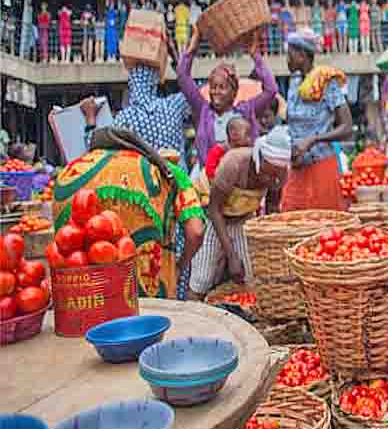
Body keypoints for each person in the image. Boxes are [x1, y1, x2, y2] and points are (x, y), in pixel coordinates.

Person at [55, 125, 205, 300]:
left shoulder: (69, 172)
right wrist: (180, 266)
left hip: (84, 295)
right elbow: (196, 231)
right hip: (148, 293)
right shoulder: (166, 170)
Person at [188, 126, 290, 300]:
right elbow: (214, 209)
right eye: (268, 173)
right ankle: (192, 316)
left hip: (244, 218)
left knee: (251, 277)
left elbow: (272, 210)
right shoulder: (233, 164)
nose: (271, 180)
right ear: (258, 158)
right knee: (202, 279)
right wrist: (231, 255)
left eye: (276, 176)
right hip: (214, 217)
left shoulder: (280, 175)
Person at [179, 27, 278, 169]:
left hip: (240, 181)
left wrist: (255, 55)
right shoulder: (203, 110)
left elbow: (271, 89)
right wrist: (193, 46)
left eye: (222, 87)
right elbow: (183, 77)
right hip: (209, 181)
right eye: (213, 87)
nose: (215, 92)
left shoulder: (245, 111)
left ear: (233, 92)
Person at [281, 29, 353, 212]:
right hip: (297, 169)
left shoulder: (327, 83)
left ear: (302, 55)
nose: (287, 60)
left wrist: (313, 140)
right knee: (293, 224)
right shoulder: (293, 83)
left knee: (324, 227)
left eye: (290, 55)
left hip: (321, 167)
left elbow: (347, 128)